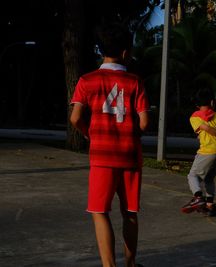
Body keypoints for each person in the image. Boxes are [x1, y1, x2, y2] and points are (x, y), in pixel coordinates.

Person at [70, 22, 149, 267]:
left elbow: (75, 118)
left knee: (99, 211)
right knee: (130, 213)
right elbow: (144, 123)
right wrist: (127, 135)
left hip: (101, 157)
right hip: (129, 156)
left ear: (100, 49)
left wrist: (90, 134)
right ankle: (131, 263)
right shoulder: (135, 82)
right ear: (126, 52)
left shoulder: (87, 80)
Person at [181, 87, 216, 216]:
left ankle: (198, 198)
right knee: (209, 178)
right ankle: (210, 205)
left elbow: (205, 128)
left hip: (208, 151)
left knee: (192, 175)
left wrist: (215, 134)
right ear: (212, 102)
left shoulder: (195, 117)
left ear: (197, 104)